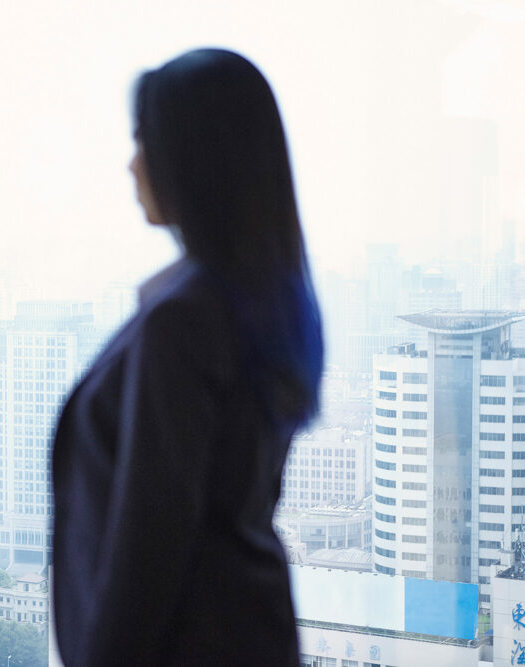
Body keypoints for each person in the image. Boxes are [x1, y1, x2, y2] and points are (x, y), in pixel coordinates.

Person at [51, 48, 324, 666]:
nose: (131, 164)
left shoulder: (185, 320)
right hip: (246, 634)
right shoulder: (260, 302)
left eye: (144, 140)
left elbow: (148, 549)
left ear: (197, 160)